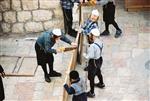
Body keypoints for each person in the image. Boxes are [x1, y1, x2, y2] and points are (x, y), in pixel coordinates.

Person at [83, 28, 105, 98]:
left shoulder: (93, 46)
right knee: (98, 72)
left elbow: (90, 56)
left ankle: (92, 93)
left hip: (93, 62)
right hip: (99, 60)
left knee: (91, 78)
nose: (90, 36)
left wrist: (85, 55)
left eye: (91, 35)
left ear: (93, 36)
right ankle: (101, 84)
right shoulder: (100, 42)